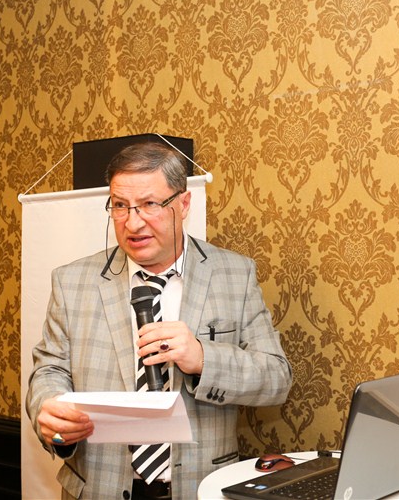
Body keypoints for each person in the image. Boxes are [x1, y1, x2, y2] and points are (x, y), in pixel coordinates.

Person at [26, 141, 293, 499]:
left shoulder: (234, 274)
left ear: (183, 204)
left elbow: (276, 378)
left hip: (200, 488)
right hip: (98, 488)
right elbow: (49, 370)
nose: (133, 222)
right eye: (120, 206)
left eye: (150, 204)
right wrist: (51, 410)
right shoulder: (72, 281)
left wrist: (203, 358)